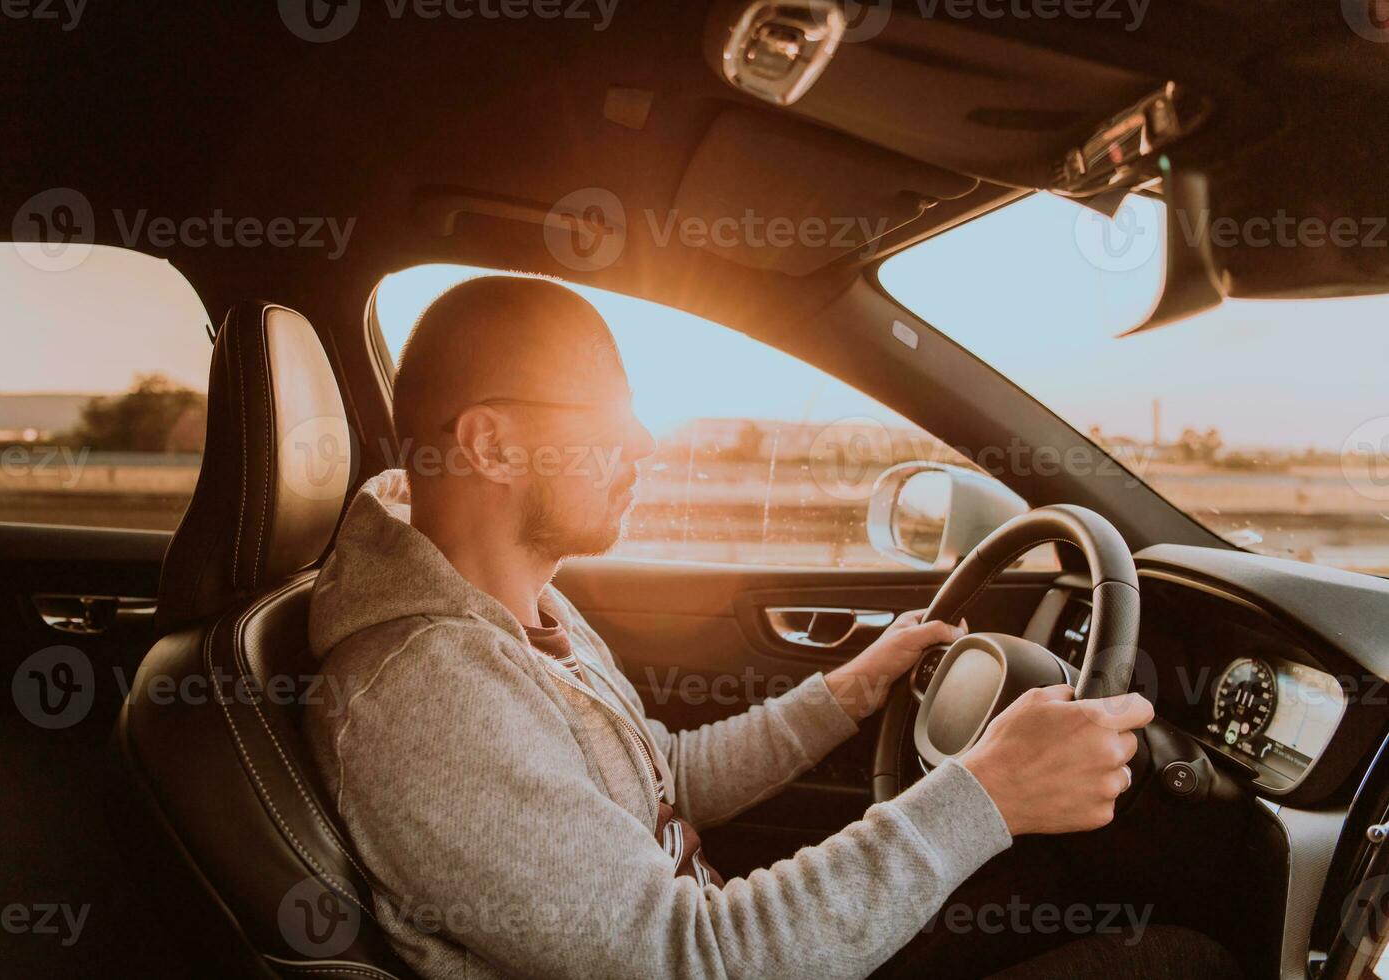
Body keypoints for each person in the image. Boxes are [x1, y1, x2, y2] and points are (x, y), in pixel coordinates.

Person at [304, 275, 1237, 978]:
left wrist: (850, 689)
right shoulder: (425, 695)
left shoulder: (517, 612)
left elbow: (661, 779)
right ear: (491, 443)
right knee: (1179, 961)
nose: (643, 441)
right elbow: (692, 959)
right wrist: (988, 793)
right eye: (608, 409)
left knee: (1075, 899)